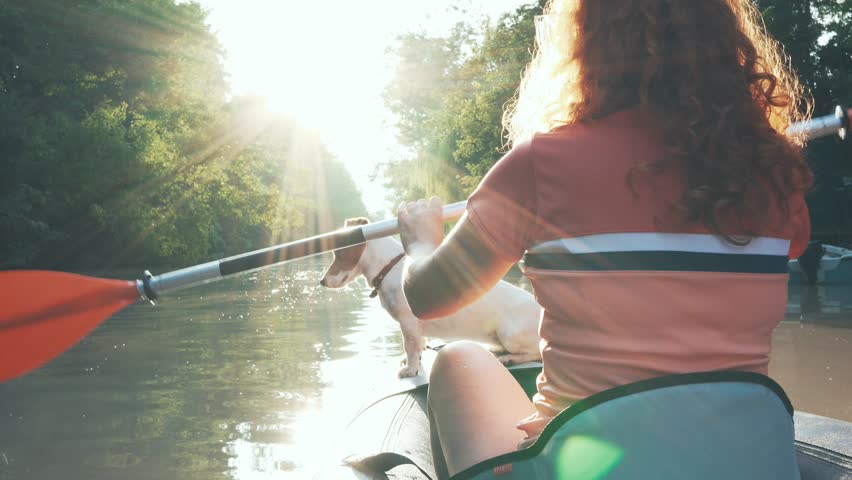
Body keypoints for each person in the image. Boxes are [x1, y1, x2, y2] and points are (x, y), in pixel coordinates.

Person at [395, 0, 813, 477]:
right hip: (744, 465)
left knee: (457, 358)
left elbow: (428, 299)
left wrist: (420, 242)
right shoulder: (776, 172)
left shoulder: (540, 167)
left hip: (597, 470)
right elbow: (790, 245)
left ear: (585, 44)